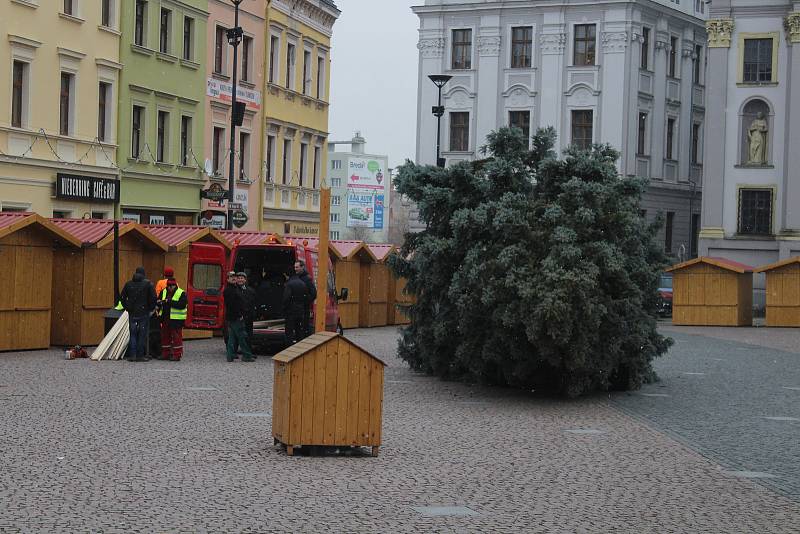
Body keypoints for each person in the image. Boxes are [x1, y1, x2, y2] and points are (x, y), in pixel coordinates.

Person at [120, 266, 157, 362]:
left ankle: (132, 355)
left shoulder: (128, 284)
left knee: (133, 334)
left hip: (132, 312)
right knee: (142, 334)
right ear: (143, 274)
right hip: (143, 312)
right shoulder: (148, 284)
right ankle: (140, 355)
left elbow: (122, 297)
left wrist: (127, 307)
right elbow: (153, 298)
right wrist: (150, 308)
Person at [224, 271, 253, 362]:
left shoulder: (233, 288)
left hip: (232, 316)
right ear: (228, 279)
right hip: (235, 317)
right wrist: (239, 315)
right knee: (242, 336)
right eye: (231, 277)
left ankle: (230, 355)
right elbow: (233, 305)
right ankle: (247, 355)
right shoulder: (230, 290)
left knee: (232, 337)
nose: (234, 278)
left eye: (234, 277)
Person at [158, 278, 188, 361]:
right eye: (169, 286)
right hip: (165, 318)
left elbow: (182, 305)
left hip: (176, 319)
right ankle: (165, 354)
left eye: (172, 286)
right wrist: (159, 303)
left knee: (176, 338)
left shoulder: (181, 293)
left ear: (175, 285)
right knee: (165, 337)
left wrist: (170, 301)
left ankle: (177, 355)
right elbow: (159, 300)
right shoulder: (163, 291)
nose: (170, 287)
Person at [283, 266, 310, 345]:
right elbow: (306, 297)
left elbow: (286, 298)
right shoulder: (302, 283)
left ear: (288, 275)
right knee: (299, 331)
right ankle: (299, 349)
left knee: (289, 332)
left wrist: (284, 309)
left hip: (290, 311)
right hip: (300, 310)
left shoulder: (289, 284)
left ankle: (289, 349)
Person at [295, 260, 317, 338]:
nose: (295, 269)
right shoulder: (297, 277)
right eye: (295, 267)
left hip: (304, 310)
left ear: (302, 267)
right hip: (298, 309)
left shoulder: (307, 279)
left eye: (297, 267)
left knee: (303, 330)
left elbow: (313, 293)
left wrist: (304, 301)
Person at [237, 271, 256, 356]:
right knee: (236, 335)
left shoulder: (251, 290)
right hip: (237, 316)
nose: (240, 280)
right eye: (239, 278)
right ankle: (234, 353)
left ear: (245, 280)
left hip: (248, 316)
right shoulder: (234, 290)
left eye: (242, 278)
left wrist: (252, 314)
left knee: (248, 335)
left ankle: (248, 353)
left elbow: (253, 303)